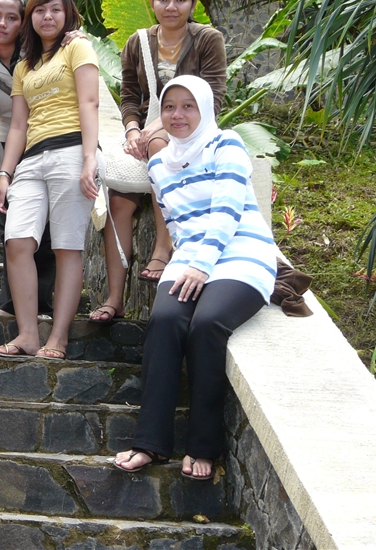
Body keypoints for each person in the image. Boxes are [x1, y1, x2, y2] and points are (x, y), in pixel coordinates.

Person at [114, 76, 275, 479]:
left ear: (205, 108)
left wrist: (203, 265)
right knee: (165, 320)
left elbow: (227, 209)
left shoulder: (227, 144)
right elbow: (175, 223)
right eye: (170, 107)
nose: (178, 114)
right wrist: (188, 262)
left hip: (241, 254)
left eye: (188, 106)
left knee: (206, 324)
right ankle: (150, 443)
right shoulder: (158, 164)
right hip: (189, 257)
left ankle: (203, 446)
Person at [92, 0, 226, 322]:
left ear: (193, 4)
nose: (171, 7)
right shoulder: (138, 42)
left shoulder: (208, 39)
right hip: (146, 133)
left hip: (193, 132)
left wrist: (157, 129)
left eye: (180, 0)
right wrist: (132, 130)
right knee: (118, 201)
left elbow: (213, 97)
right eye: (164, 0)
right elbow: (129, 96)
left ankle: (164, 246)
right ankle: (115, 298)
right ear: (152, 2)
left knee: (157, 145)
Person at [0, 0, 101, 360]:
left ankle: (58, 339)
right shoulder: (24, 67)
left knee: (66, 246)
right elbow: (18, 125)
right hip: (32, 159)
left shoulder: (77, 48)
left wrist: (89, 158)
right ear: (30, 19)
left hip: (71, 150)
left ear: (67, 15)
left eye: (55, 10)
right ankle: (28, 335)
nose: (47, 17)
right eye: (39, 10)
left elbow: (89, 102)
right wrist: (5, 173)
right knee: (17, 242)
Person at [0, 0, 55, 318]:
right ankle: (10, 304)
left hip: (40, 139)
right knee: (8, 222)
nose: (2, 24)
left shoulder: (39, 51)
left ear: (22, 23)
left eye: (12, 18)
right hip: (2, 144)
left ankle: (43, 304)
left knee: (45, 225)